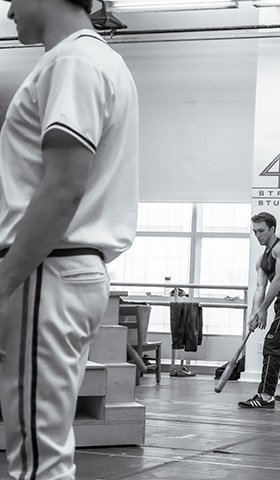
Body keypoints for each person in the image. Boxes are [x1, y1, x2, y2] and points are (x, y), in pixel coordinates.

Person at [0, 0, 139, 478]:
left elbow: (62, 188)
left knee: (38, 461)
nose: (10, 9)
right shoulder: (101, 60)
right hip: (63, 269)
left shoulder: (72, 61)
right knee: (42, 449)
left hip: (46, 270)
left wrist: (3, 282)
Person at [238, 212, 280, 409]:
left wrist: (264, 310)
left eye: (261, 231)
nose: (257, 235)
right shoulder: (261, 260)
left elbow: (279, 280)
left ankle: (265, 395)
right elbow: (260, 288)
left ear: (272, 229)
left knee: (273, 342)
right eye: (254, 231)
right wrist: (254, 312)